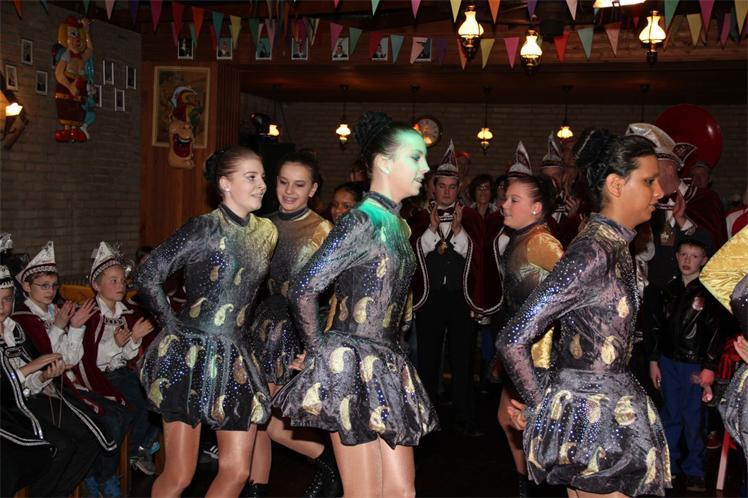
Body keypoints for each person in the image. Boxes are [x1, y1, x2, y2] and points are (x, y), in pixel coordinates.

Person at [498, 128, 671, 497]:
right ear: (616, 185)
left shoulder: (615, 245)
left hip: (604, 412)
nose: (660, 192)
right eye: (649, 181)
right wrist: (543, 405)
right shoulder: (593, 251)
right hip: (592, 420)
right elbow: (513, 338)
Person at [273, 112, 438, 497]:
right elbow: (304, 288)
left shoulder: (396, 224)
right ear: (384, 163)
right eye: (416, 158)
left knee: (401, 491)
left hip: (385, 363)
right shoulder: (360, 221)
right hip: (350, 365)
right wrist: (319, 354)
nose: (425, 168)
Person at [135, 147, 278, 498]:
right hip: (190, 356)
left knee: (237, 471)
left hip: (236, 357)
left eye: (262, 176)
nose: (262, 184)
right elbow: (148, 272)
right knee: (180, 475)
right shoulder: (203, 228)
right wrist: (171, 325)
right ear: (225, 184)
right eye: (251, 177)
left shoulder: (267, 232)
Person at [246, 152, 339, 497]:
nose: (289, 191)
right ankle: (256, 489)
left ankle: (332, 464)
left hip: (297, 331)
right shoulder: (261, 224)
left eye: (299, 185)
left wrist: (318, 344)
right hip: (260, 327)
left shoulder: (322, 230)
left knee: (271, 422)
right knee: (257, 420)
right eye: (283, 182)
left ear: (313, 189)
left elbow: (335, 294)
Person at [0, 233, 114, 497]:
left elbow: (33, 379)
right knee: (61, 446)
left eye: (6, 298)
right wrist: (32, 369)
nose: (3, 306)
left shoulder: (14, 329)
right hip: (8, 409)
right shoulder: (25, 320)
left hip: (27, 397)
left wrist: (43, 376)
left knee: (90, 437)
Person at [408, 142, 491, 436]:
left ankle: (465, 418)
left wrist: (457, 233)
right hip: (429, 299)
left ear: (459, 188)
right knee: (427, 360)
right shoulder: (420, 218)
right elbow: (414, 255)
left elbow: (478, 258)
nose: (446, 192)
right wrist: (432, 231)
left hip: (460, 299)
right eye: (441, 186)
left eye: (451, 187)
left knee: (462, 360)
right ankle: (425, 419)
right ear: (433, 187)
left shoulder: (471, 218)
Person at [493, 173, 563, 497]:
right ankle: (527, 484)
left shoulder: (542, 243)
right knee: (506, 418)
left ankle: (537, 487)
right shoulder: (520, 238)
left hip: (538, 355)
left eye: (514, 200)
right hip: (519, 349)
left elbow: (576, 287)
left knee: (534, 428)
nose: (504, 204)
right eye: (506, 198)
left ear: (536, 208)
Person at [646, 238, 726, 492]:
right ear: (676, 257)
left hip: (694, 364)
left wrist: (709, 366)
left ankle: (695, 470)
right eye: (683, 255)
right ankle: (669, 465)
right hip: (668, 362)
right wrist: (654, 360)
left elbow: (716, 333)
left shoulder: (709, 293)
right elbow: (656, 328)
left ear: (704, 260)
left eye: (694, 256)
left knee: (694, 418)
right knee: (670, 414)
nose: (688, 260)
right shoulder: (668, 290)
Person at [78, 242, 160, 476]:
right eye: (113, 280)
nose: (120, 285)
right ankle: (117, 461)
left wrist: (134, 339)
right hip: (99, 376)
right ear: (96, 285)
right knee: (136, 407)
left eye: (123, 280)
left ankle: (136, 449)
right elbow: (91, 358)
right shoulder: (91, 314)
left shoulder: (124, 313)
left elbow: (128, 355)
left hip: (122, 371)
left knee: (159, 398)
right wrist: (120, 342)